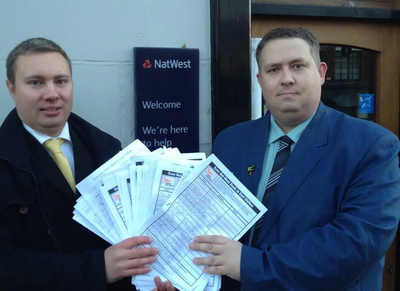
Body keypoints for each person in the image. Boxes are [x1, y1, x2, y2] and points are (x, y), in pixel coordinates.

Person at [189, 27, 400, 290]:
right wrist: (181, 274)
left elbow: (356, 244)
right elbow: (206, 223)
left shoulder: (370, 145)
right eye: (274, 69)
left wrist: (251, 264)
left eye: (298, 66)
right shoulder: (230, 142)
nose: (286, 79)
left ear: (321, 73)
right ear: (260, 80)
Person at [0, 37, 174, 291]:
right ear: (11, 88)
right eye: (36, 82)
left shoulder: (109, 150)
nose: (52, 94)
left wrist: (155, 280)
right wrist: (98, 268)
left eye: (61, 81)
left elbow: (133, 240)